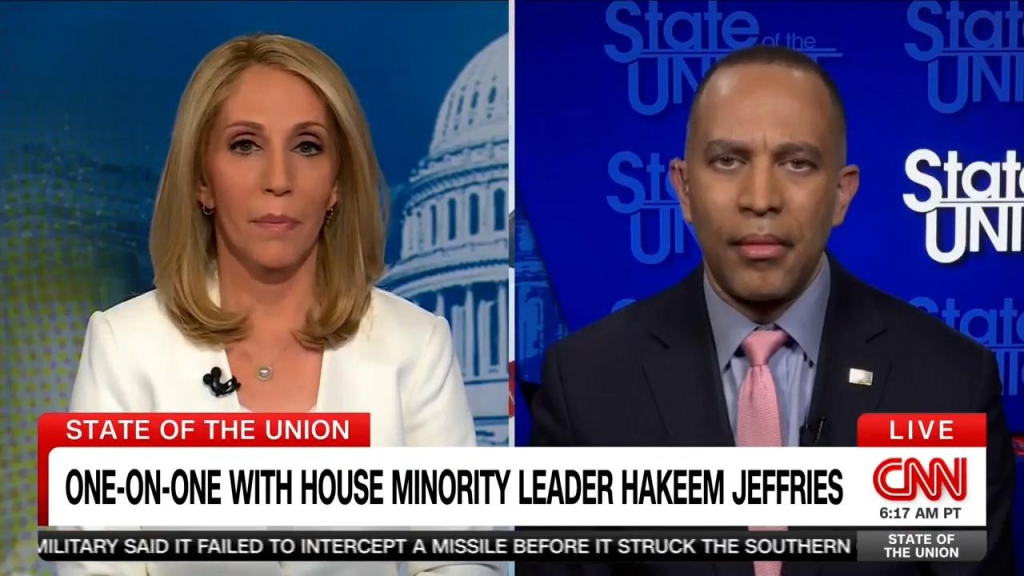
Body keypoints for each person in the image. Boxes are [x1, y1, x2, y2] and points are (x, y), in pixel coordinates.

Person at [523, 46, 1016, 575]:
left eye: (796, 163)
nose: (760, 199)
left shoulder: (947, 385)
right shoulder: (585, 384)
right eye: (728, 161)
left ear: (842, 193)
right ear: (684, 189)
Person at [64, 33, 500, 576]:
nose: (278, 180)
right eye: (245, 145)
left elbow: (456, 563)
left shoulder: (416, 345)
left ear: (337, 183)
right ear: (203, 181)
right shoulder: (124, 347)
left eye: (308, 147)